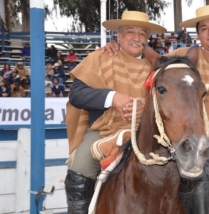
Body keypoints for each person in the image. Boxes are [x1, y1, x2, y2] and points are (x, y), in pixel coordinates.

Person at [101, 5, 209, 214]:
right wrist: (116, 47)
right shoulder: (186, 56)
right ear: (198, 34)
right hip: (206, 138)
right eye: (203, 28)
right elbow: (152, 60)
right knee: (199, 181)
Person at [64, 11, 167, 213]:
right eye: (130, 32)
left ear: (147, 39)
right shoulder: (101, 57)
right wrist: (113, 98)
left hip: (149, 132)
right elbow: (76, 94)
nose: (136, 38)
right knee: (80, 166)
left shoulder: (159, 66)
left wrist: (146, 109)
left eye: (142, 33)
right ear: (117, 36)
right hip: (105, 130)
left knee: (186, 169)